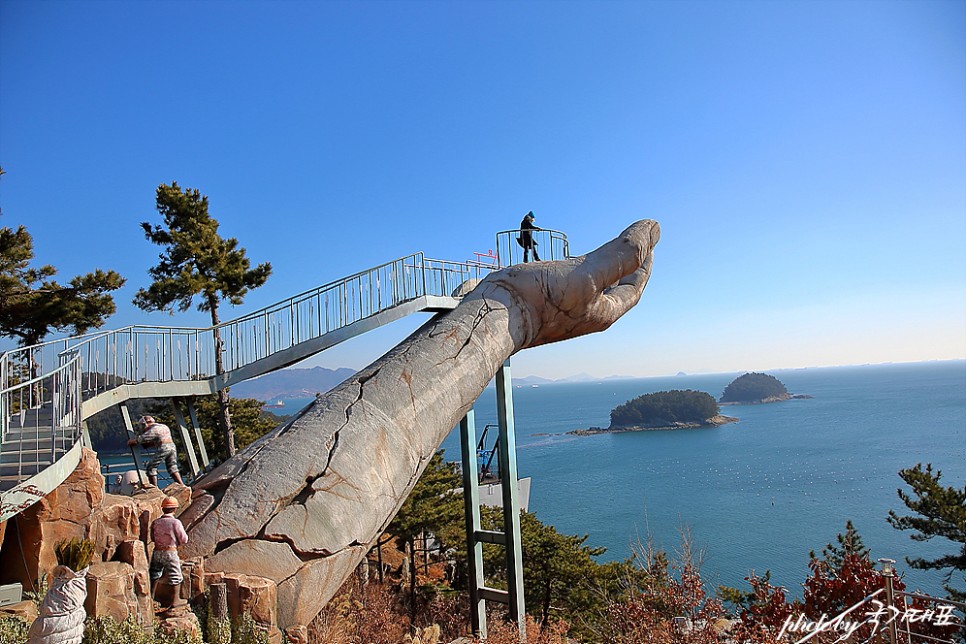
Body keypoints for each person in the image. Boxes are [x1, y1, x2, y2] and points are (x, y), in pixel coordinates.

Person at [127, 415, 186, 487]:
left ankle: (154, 488)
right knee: (172, 467)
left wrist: (132, 441)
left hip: (164, 448)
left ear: (146, 423)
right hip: (172, 447)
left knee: (151, 468)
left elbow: (141, 439)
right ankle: (182, 485)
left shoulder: (154, 429)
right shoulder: (164, 426)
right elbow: (158, 439)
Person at [150, 496, 188, 595]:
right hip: (170, 552)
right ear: (175, 509)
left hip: (157, 551)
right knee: (175, 576)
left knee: (154, 574)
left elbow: (152, 538)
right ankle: (174, 602)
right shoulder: (175, 522)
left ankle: (151, 597)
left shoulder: (156, 522)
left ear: (162, 509)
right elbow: (184, 539)